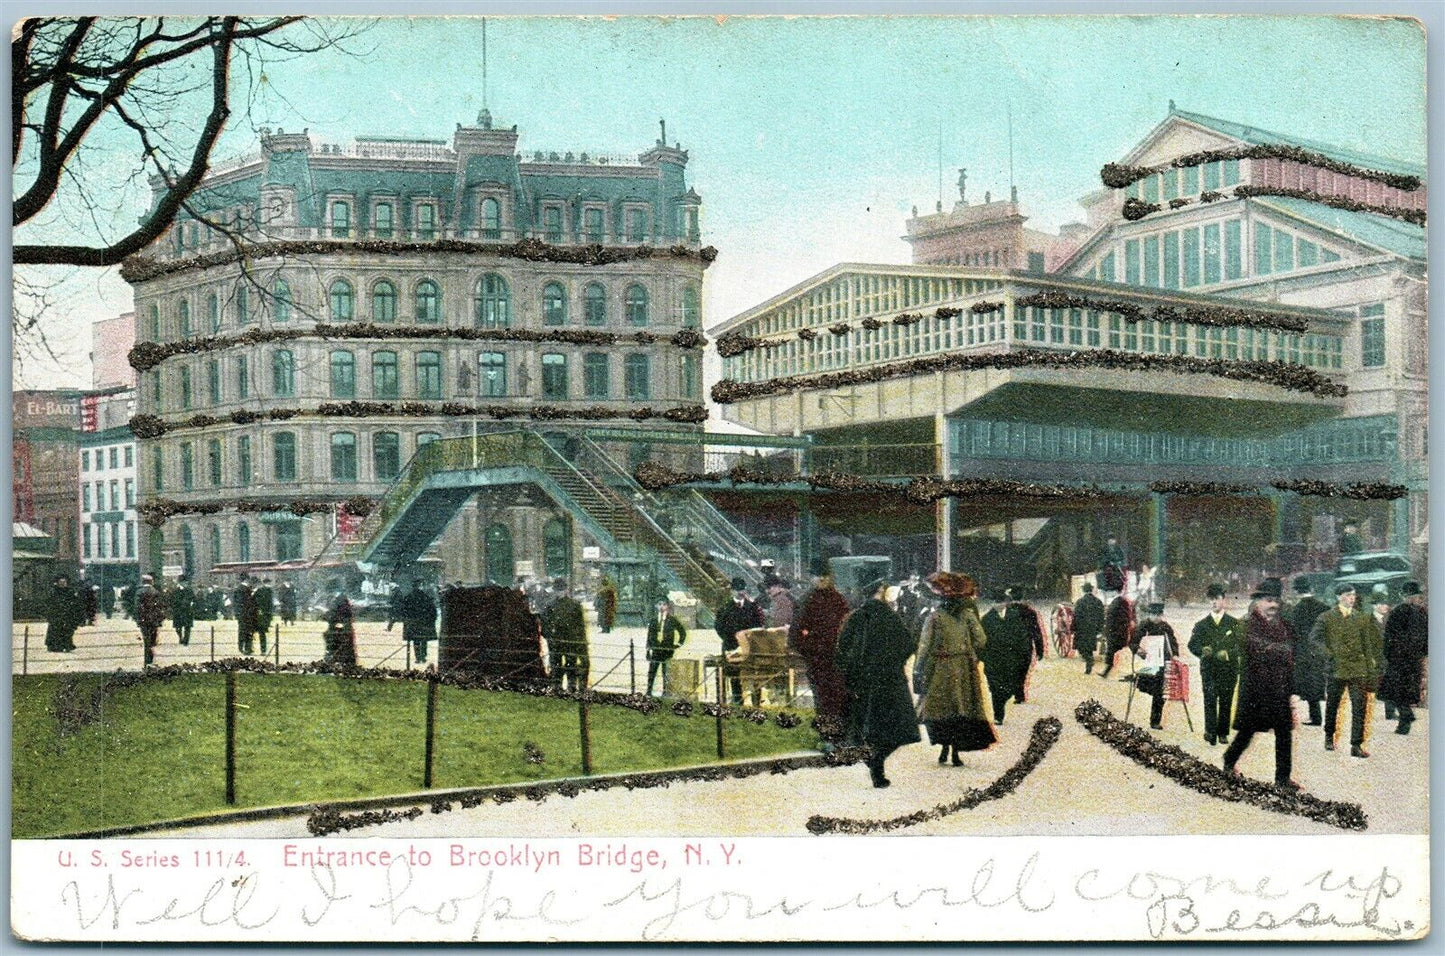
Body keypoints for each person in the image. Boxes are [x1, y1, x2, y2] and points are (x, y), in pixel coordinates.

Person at [836, 577, 921, 788]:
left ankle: (874, 760)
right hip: (891, 680)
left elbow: (842, 649)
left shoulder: (856, 616)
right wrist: (894, 662)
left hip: (864, 681)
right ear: (880, 590)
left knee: (868, 727)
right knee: (899, 728)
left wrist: (852, 674)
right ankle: (877, 760)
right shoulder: (889, 616)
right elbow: (908, 645)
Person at [1223, 578, 1299, 789]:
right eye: (1268, 600)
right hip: (1256, 688)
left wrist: (1291, 685)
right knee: (1248, 731)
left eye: (1275, 601)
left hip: (1279, 688)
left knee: (1284, 732)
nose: (1273, 605)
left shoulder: (1284, 625)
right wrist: (1279, 650)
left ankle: (1282, 779)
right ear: (1257, 602)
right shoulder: (1246, 623)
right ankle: (1229, 760)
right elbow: (1252, 645)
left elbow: (1293, 651)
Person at [916, 571, 996, 765]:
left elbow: (924, 646)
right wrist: (968, 651)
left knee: (941, 710)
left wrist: (918, 668)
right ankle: (955, 753)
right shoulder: (967, 615)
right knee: (961, 709)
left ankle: (944, 748)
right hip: (963, 668)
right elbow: (981, 639)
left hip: (940, 667)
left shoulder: (934, 617)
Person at [1313, 583, 1382, 758]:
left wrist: (1370, 670)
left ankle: (1356, 745)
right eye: (1348, 595)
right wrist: (1329, 655)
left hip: (1358, 669)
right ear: (1338, 597)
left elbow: (1367, 646)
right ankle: (1329, 736)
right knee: (1333, 704)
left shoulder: (1361, 618)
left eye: (1353, 595)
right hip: (1336, 668)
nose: (1352, 598)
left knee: (1360, 706)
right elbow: (1314, 639)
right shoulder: (1326, 617)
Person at [789, 557, 852, 737]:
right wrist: (812, 650)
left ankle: (841, 735)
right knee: (823, 699)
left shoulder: (839, 600)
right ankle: (827, 737)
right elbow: (795, 635)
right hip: (818, 661)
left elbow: (848, 627)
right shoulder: (806, 601)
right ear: (811, 578)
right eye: (818, 575)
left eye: (825, 575)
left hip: (839, 659)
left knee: (841, 698)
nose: (822, 578)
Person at [1189, 584, 1242, 746]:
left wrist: (1228, 654)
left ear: (1224, 600)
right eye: (1211, 599)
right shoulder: (1201, 624)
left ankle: (1223, 733)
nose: (1214, 602)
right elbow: (1192, 644)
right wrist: (1201, 650)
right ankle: (1210, 732)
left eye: (1217, 598)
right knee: (1210, 699)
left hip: (1228, 669)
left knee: (1226, 700)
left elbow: (1242, 646)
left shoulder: (1234, 623)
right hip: (1209, 669)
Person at [1380, 581, 1427, 735]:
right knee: (1407, 691)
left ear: (1403, 595)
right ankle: (1405, 719)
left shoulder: (1397, 612)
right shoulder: (1423, 613)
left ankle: (1406, 717)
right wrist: (1423, 655)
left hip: (1398, 659)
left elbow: (1388, 637)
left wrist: (1388, 655)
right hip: (1415, 659)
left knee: (1395, 691)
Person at [979, 590, 1032, 726]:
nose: (998, 605)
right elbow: (980, 641)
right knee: (995, 688)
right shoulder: (986, 619)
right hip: (994, 660)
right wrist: (984, 657)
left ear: (1005, 603)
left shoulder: (1014, 616)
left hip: (1011, 659)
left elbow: (1022, 636)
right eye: (995, 602)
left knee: (1009, 687)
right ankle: (998, 715)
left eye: (1000, 602)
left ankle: (1002, 700)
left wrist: (1023, 653)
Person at [1287, 577, 1331, 725]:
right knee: (1317, 682)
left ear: (1296, 591)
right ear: (1310, 589)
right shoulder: (1323, 607)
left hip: (1302, 652)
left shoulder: (1296, 610)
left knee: (1305, 684)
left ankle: (1315, 717)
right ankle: (1318, 717)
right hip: (1320, 651)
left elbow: (1292, 633)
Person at [714, 577, 764, 706]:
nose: (740, 592)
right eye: (737, 590)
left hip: (750, 647)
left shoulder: (753, 607)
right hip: (732, 646)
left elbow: (759, 625)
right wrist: (731, 639)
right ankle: (737, 701)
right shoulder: (725, 608)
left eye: (742, 590)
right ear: (732, 591)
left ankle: (756, 703)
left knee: (754, 674)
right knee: (734, 675)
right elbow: (719, 627)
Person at [1132, 602, 1180, 731]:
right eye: (1153, 614)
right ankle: (1154, 717)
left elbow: (1173, 643)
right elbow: (1133, 642)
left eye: (1158, 615)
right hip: (1147, 662)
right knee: (1151, 688)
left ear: (1161, 615)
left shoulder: (1165, 627)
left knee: (1160, 692)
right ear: (1149, 614)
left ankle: (1155, 721)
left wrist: (1175, 655)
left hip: (1162, 662)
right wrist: (1138, 649)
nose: (1155, 617)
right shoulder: (1144, 626)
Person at [541, 578, 589, 690]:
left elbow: (580, 625)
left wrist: (548, 636)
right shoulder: (571, 605)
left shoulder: (553, 605)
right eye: (559, 590)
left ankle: (563, 688)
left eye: (560, 589)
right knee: (563, 665)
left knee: (563, 665)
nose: (559, 592)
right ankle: (565, 688)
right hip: (563, 641)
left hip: (564, 641)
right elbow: (580, 626)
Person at [1098, 565, 1135, 679]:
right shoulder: (1118, 601)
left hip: (1117, 632)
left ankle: (1109, 672)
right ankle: (1106, 672)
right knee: (1112, 652)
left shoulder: (1121, 602)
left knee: (1115, 652)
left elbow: (1125, 619)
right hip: (1114, 632)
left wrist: (1120, 631)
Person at [645, 598, 687, 695]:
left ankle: (665, 691)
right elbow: (649, 635)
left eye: (664, 604)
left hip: (667, 650)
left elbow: (682, 631)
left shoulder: (672, 620)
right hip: (656, 649)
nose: (661, 607)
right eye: (659, 604)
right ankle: (649, 691)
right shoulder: (653, 620)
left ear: (667, 606)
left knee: (666, 672)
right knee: (652, 671)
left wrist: (678, 644)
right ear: (656, 606)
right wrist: (648, 650)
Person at [390, 581, 437, 666]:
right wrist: (431, 620)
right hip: (423, 622)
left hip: (413, 623)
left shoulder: (409, 597)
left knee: (416, 641)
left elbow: (403, 610)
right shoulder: (425, 597)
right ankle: (423, 656)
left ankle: (418, 658)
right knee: (423, 640)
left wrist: (406, 619)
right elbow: (432, 610)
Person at [43, 575, 85, 652]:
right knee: (55, 630)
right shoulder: (54, 592)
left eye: (64, 582)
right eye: (61, 582)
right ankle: (54, 646)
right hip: (56, 615)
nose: (62, 584)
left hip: (67, 615)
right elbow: (49, 603)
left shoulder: (70, 592)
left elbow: (75, 603)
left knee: (67, 631)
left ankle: (67, 645)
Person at [1073, 580, 1105, 675]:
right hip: (1093, 628)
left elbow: (1076, 616)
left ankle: (1089, 661)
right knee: (1090, 647)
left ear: (1083, 590)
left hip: (1082, 628)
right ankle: (1089, 663)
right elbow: (1101, 616)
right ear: (1091, 590)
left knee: (1081, 647)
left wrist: (1073, 628)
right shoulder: (1098, 602)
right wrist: (1099, 628)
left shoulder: (1080, 602)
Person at [136, 574, 168, 666]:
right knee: (152, 640)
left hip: (144, 620)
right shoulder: (156, 592)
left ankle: (147, 660)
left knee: (146, 639)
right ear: (151, 582)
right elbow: (160, 607)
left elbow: (137, 607)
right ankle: (150, 659)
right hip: (154, 620)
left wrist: (138, 619)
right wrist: (160, 619)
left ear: (143, 582)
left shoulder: (139, 592)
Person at [323, 593, 357, 667]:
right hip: (344, 634)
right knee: (346, 652)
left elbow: (327, 617)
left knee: (333, 652)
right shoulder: (347, 610)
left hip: (336, 635)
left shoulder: (335, 609)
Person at [233, 576, 257, 654]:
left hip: (242, 614)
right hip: (247, 614)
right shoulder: (246, 589)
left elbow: (236, 603)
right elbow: (248, 602)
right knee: (247, 631)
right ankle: (247, 648)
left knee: (242, 631)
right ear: (247, 580)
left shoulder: (238, 589)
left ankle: (242, 647)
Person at [171, 576, 196, 647]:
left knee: (187, 627)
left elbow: (194, 600)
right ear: (180, 583)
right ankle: (180, 637)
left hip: (187, 611)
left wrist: (191, 606)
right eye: (184, 582)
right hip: (178, 611)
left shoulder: (190, 591)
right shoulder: (175, 591)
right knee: (177, 627)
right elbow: (172, 600)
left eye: (186, 582)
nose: (185, 584)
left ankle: (186, 640)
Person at [254, 578, 275, 654]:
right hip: (265, 614)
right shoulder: (269, 591)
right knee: (262, 632)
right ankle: (263, 649)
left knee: (261, 633)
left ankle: (262, 649)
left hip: (261, 614)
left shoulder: (260, 590)